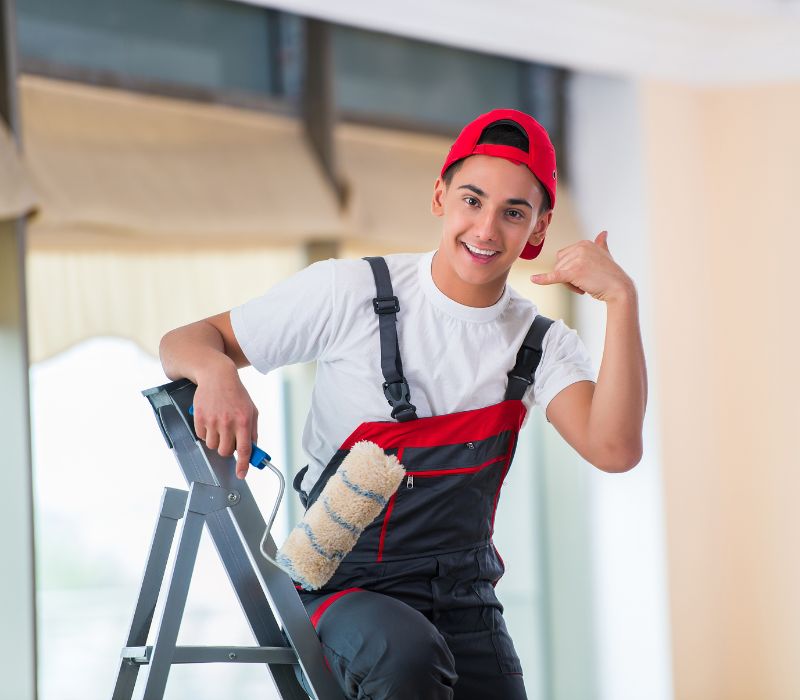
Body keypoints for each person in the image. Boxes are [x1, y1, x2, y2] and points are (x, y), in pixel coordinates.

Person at [159, 108, 647, 699]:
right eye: (473, 200)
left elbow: (615, 449)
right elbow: (184, 341)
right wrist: (216, 373)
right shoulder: (350, 292)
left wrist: (621, 299)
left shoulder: (539, 344)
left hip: (465, 603)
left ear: (538, 230)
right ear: (440, 196)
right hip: (346, 589)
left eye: (513, 213)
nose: (487, 229)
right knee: (407, 653)